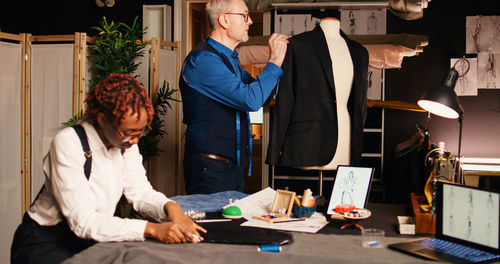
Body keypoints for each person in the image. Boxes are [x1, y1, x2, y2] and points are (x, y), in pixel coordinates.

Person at [11, 73, 206, 264]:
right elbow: (83, 222)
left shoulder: (126, 144)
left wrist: (171, 208)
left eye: (141, 132)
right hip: (45, 242)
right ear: (103, 120)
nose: (135, 140)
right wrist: (152, 229)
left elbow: (139, 193)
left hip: (90, 238)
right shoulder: (69, 142)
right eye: (129, 133)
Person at [179, 0, 289, 194]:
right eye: (245, 15)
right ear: (224, 20)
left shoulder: (228, 59)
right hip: (210, 168)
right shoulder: (204, 60)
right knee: (213, 225)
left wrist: (279, 65)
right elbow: (251, 100)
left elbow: (259, 94)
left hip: (228, 166)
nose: (250, 22)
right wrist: (275, 61)